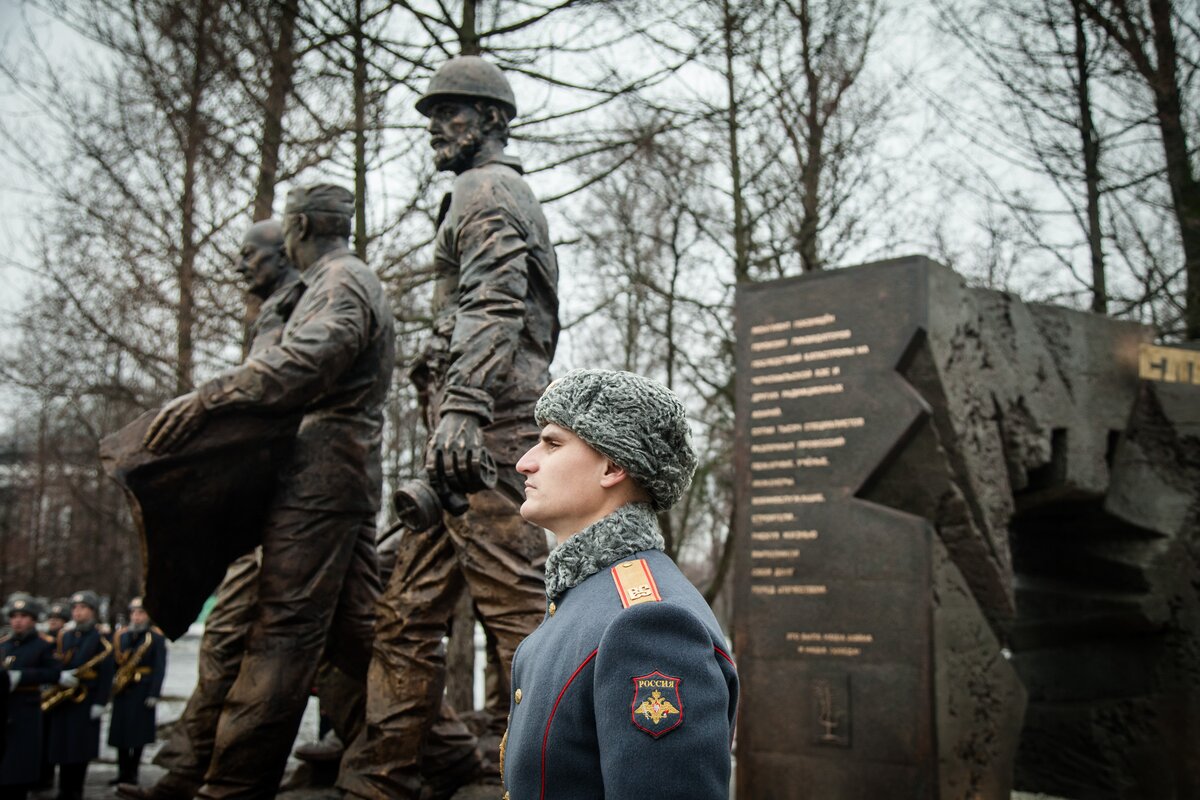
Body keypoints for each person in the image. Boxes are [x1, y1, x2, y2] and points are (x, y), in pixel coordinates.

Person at [340, 54, 558, 800]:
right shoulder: (476, 190)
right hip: (463, 434)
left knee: (518, 609)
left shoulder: (486, 190)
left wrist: (462, 407)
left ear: (493, 119)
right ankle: (384, 774)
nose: (438, 127)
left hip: (487, 428)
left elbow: (495, 302)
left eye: (452, 112)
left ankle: (557, 773)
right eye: (433, 115)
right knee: (405, 614)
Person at [143, 184, 393, 799]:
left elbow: (310, 358)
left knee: (281, 633)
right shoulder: (330, 282)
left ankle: (231, 787)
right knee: (359, 634)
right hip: (329, 471)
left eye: (285, 230)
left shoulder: (340, 282)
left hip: (322, 474)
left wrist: (211, 397)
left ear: (301, 225)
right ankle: (433, 751)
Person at [120, 220, 310, 800]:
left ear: (282, 254)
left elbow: (286, 389)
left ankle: (423, 748)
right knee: (226, 632)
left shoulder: (306, 301)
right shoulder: (276, 307)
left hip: (296, 496)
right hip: (265, 498)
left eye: (249, 256)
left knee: (325, 639)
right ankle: (186, 767)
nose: (239, 267)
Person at [501, 369, 739, 799]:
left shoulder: (647, 622)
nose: (525, 462)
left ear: (613, 466)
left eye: (553, 443)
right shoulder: (588, 595)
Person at [46, 590, 113, 800]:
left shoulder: (101, 640)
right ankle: (63, 789)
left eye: (83, 608)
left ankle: (76, 790)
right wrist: (58, 676)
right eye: (75, 608)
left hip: (86, 699)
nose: (78, 612)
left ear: (92, 612)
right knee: (61, 746)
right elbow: (57, 660)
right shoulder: (65, 636)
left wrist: (101, 701)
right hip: (64, 699)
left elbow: (107, 673)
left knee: (79, 748)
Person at [0, 594, 59, 800]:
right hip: (6, 708)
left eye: (24, 616)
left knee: (19, 768)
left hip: (26, 710)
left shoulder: (44, 645)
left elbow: (54, 673)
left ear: (33, 620)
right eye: (14, 616)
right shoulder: (4, 644)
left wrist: (22, 676)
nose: (17, 620)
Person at [108, 598, 167, 787]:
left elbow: (159, 668)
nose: (137, 617)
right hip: (123, 690)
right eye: (134, 613)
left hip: (142, 690)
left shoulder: (156, 638)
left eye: (141, 613)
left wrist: (154, 693)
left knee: (138, 734)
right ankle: (121, 771)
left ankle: (133, 772)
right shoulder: (122, 635)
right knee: (120, 733)